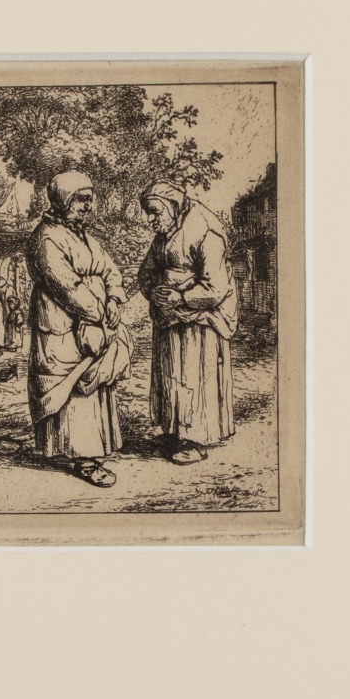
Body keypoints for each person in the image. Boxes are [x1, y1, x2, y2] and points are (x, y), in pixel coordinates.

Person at [26, 171, 132, 485]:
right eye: (81, 200)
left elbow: (110, 270)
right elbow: (67, 287)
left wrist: (114, 298)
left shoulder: (85, 236)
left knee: (91, 385)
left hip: (93, 323)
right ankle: (81, 460)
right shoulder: (46, 238)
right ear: (63, 200)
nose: (87, 206)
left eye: (89, 200)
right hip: (61, 325)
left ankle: (89, 452)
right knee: (72, 387)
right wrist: (99, 312)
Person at [136, 181, 238, 464]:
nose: (150, 219)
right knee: (172, 376)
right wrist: (153, 291)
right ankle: (174, 430)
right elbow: (146, 273)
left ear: (172, 206)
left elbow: (216, 287)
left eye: (155, 212)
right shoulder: (163, 233)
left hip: (199, 321)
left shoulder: (205, 229)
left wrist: (180, 297)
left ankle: (196, 440)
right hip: (169, 318)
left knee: (194, 376)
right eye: (148, 212)